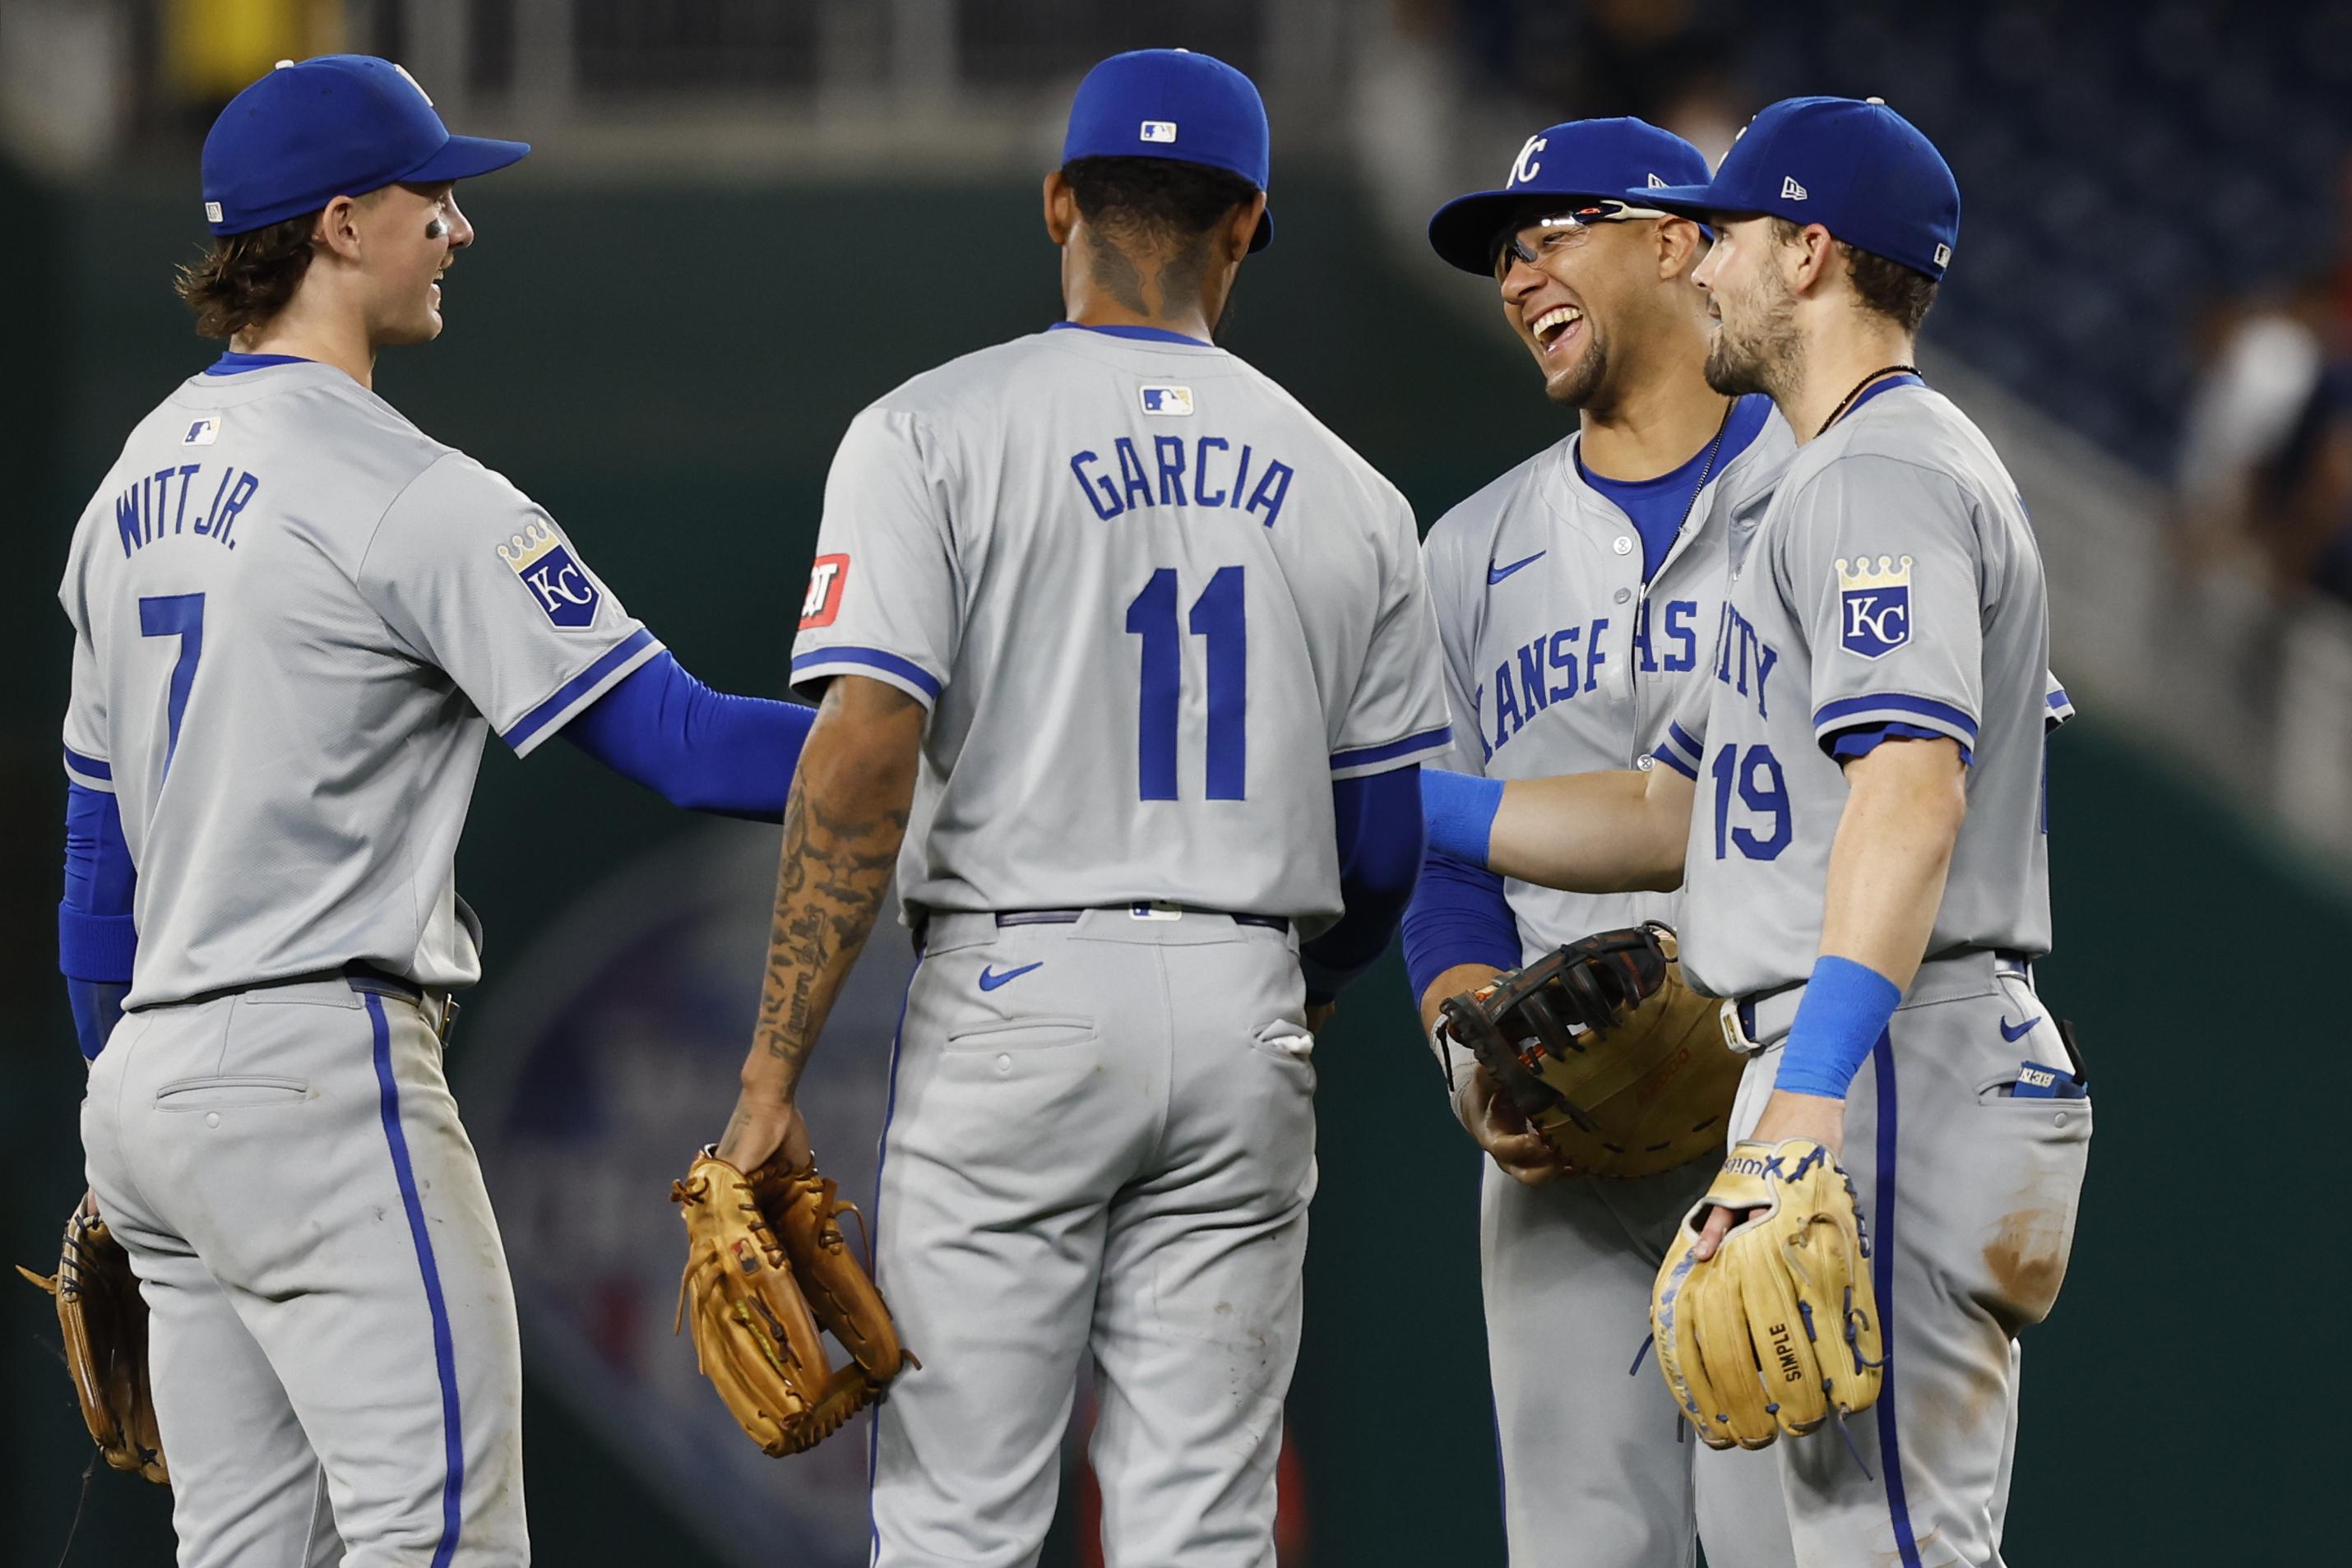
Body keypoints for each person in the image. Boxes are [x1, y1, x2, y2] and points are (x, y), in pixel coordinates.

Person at [57, 55, 813, 1565]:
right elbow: (686, 747)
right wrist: (926, 749)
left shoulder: (123, 488)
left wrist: (126, 1110)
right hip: (317, 1076)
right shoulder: (407, 492)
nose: (458, 226)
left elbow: (98, 873)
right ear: (339, 225)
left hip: (150, 1094)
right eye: (433, 197)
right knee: (446, 1541)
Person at [700, 48, 1449, 1567]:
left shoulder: (930, 431)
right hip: (1248, 1002)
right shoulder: (1356, 492)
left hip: (1020, 988)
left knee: (961, 1519)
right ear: (1243, 225)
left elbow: (861, 748)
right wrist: (1283, 987)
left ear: (1059, 204)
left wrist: (774, 1067)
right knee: (1201, 1529)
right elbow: (1382, 842)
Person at [1420, 96, 2090, 1567]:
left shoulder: (1874, 474)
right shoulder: (1826, 481)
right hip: (1854, 1053)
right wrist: (1393, 799)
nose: (1699, 260)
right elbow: (1666, 810)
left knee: (1887, 1548)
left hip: (1882, 1052)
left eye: (1722, 233)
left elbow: (1913, 787)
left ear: (1808, 255)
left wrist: (1805, 1101)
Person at [1405, 117, 1797, 1568]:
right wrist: (1468, 1053)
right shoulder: (1466, 552)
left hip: (1787, 1114)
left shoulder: (1830, 488)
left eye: (1551, 229)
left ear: (1675, 239)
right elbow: (1445, 873)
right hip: (1560, 1143)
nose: (1516, 273)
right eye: (1502, 252)